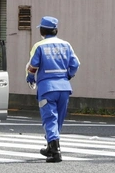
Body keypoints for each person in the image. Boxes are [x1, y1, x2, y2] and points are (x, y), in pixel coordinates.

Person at [26, 16, 80, 163]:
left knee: (50, 118)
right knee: (58, 120)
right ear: (55, 30)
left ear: (42, 31)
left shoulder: (39, 46)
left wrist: (30, 78)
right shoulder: (66, 45)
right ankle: (51, 146)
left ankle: (55, 152)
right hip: (64, 87)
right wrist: (68, 75)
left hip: (47, 88)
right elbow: (75, 64)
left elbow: (33, 66)